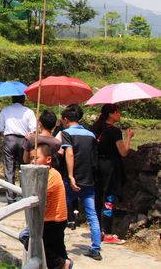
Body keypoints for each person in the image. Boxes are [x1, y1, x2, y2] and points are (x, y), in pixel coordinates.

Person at [60, 104, 102, 260]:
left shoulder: (66, 133)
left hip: (72, 180)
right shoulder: (91, 135)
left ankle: (57, 244)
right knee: (92, 215)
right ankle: (96, 248)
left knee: (61, 212)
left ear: (65, 119)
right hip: (89, 180)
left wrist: (71, 176)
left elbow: (69, 154)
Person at [92, 103, 133, 245]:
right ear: (110, 114)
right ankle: (108, 232)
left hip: (96, 166)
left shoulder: (95, 128)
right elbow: (123, 152)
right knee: (109, 199)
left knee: (97, 199)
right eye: (117, 112)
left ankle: (97, 231)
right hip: (110, 168)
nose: (119, 114)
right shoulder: (114, 131)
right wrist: (129, 137)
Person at [33, 143, 71, 269]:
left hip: (53, 219)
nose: (33, 161)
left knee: (31, 240)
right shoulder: (47, 174)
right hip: (54, 218)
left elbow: (38, 194)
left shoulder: (52, 176)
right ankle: (64, 262)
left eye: (36, 158)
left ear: (48, 159)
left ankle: (62, 264)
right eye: (31, 158)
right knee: (57, 248)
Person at [0, 95, 36, 204]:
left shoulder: (5, 110)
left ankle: (10, 198)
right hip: (24, 140)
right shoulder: (29, 111)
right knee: (24, 167)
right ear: (23, 100)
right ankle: (24, 194)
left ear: (12, 100)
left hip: (9, 140)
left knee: (9, 169)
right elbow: (33, 129)